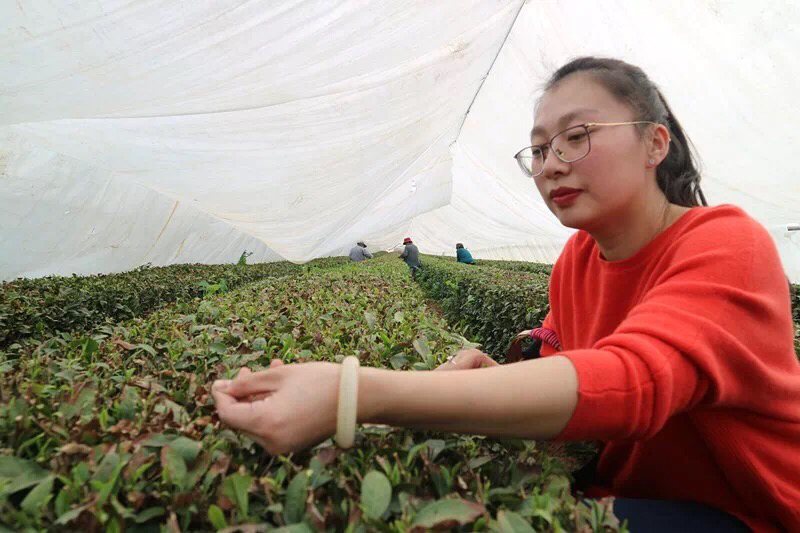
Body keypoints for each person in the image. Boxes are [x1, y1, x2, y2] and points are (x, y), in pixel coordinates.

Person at [211, 57, 800, 532]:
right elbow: (573, 377)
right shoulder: (577, 260)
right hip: (626, 487)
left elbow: (633, 384)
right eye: (540, 150)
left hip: (744, 512)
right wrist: (488, 378)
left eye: (576, 137)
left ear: (655, 144)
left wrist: (353, 392)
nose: (550, 165)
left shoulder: (729, 243)